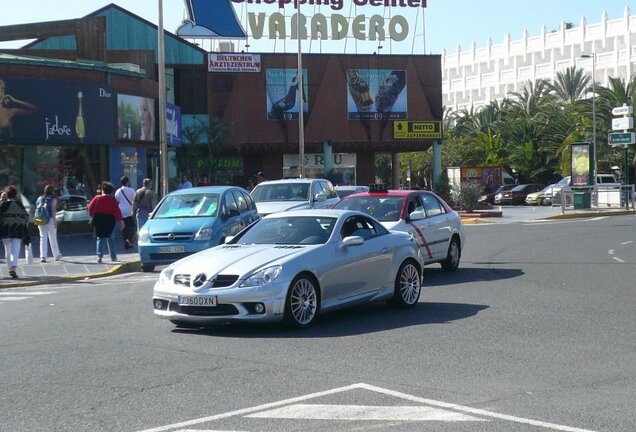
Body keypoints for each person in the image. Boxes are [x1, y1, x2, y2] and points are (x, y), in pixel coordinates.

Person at [88, 181, 124, 263]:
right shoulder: (113, 200)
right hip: (110, 220)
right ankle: (113, 256)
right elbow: (117, 211)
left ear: (103, 190)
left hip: (99, 219)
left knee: (100, 238)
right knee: (110, 238)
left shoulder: (97, 198)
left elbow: (90, 208)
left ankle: (99, 256)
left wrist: (92, 216)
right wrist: (121, 221)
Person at [0, 185, 30, 278]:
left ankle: (9, 268)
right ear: (15, 194)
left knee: (7, 250)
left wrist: (1, 199)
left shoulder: (3, 205)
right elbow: (26, 217)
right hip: (18, 229)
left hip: (5, 229)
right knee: (15, 250)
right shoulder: (19, 204)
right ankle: (13, 268)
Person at [35, 184, 62, 263]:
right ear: (52, 191)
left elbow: (35, 208)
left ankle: (43, 256)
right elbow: (53, 211)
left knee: (42, 237)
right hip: (49, 219)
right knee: (52, 238)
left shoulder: (39, 198)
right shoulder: (53, 199)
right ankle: (56, 255)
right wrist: (55, 221)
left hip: (39, 219)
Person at [114, 176, 136, 250]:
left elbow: (117, 201)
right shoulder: (132, 190)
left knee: (124, 228)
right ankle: (129, 240)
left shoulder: (118, 191)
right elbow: (134, 200)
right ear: (127, 182)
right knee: (133, 227)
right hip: (130, 211)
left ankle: (126, 241)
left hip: (121, 212)